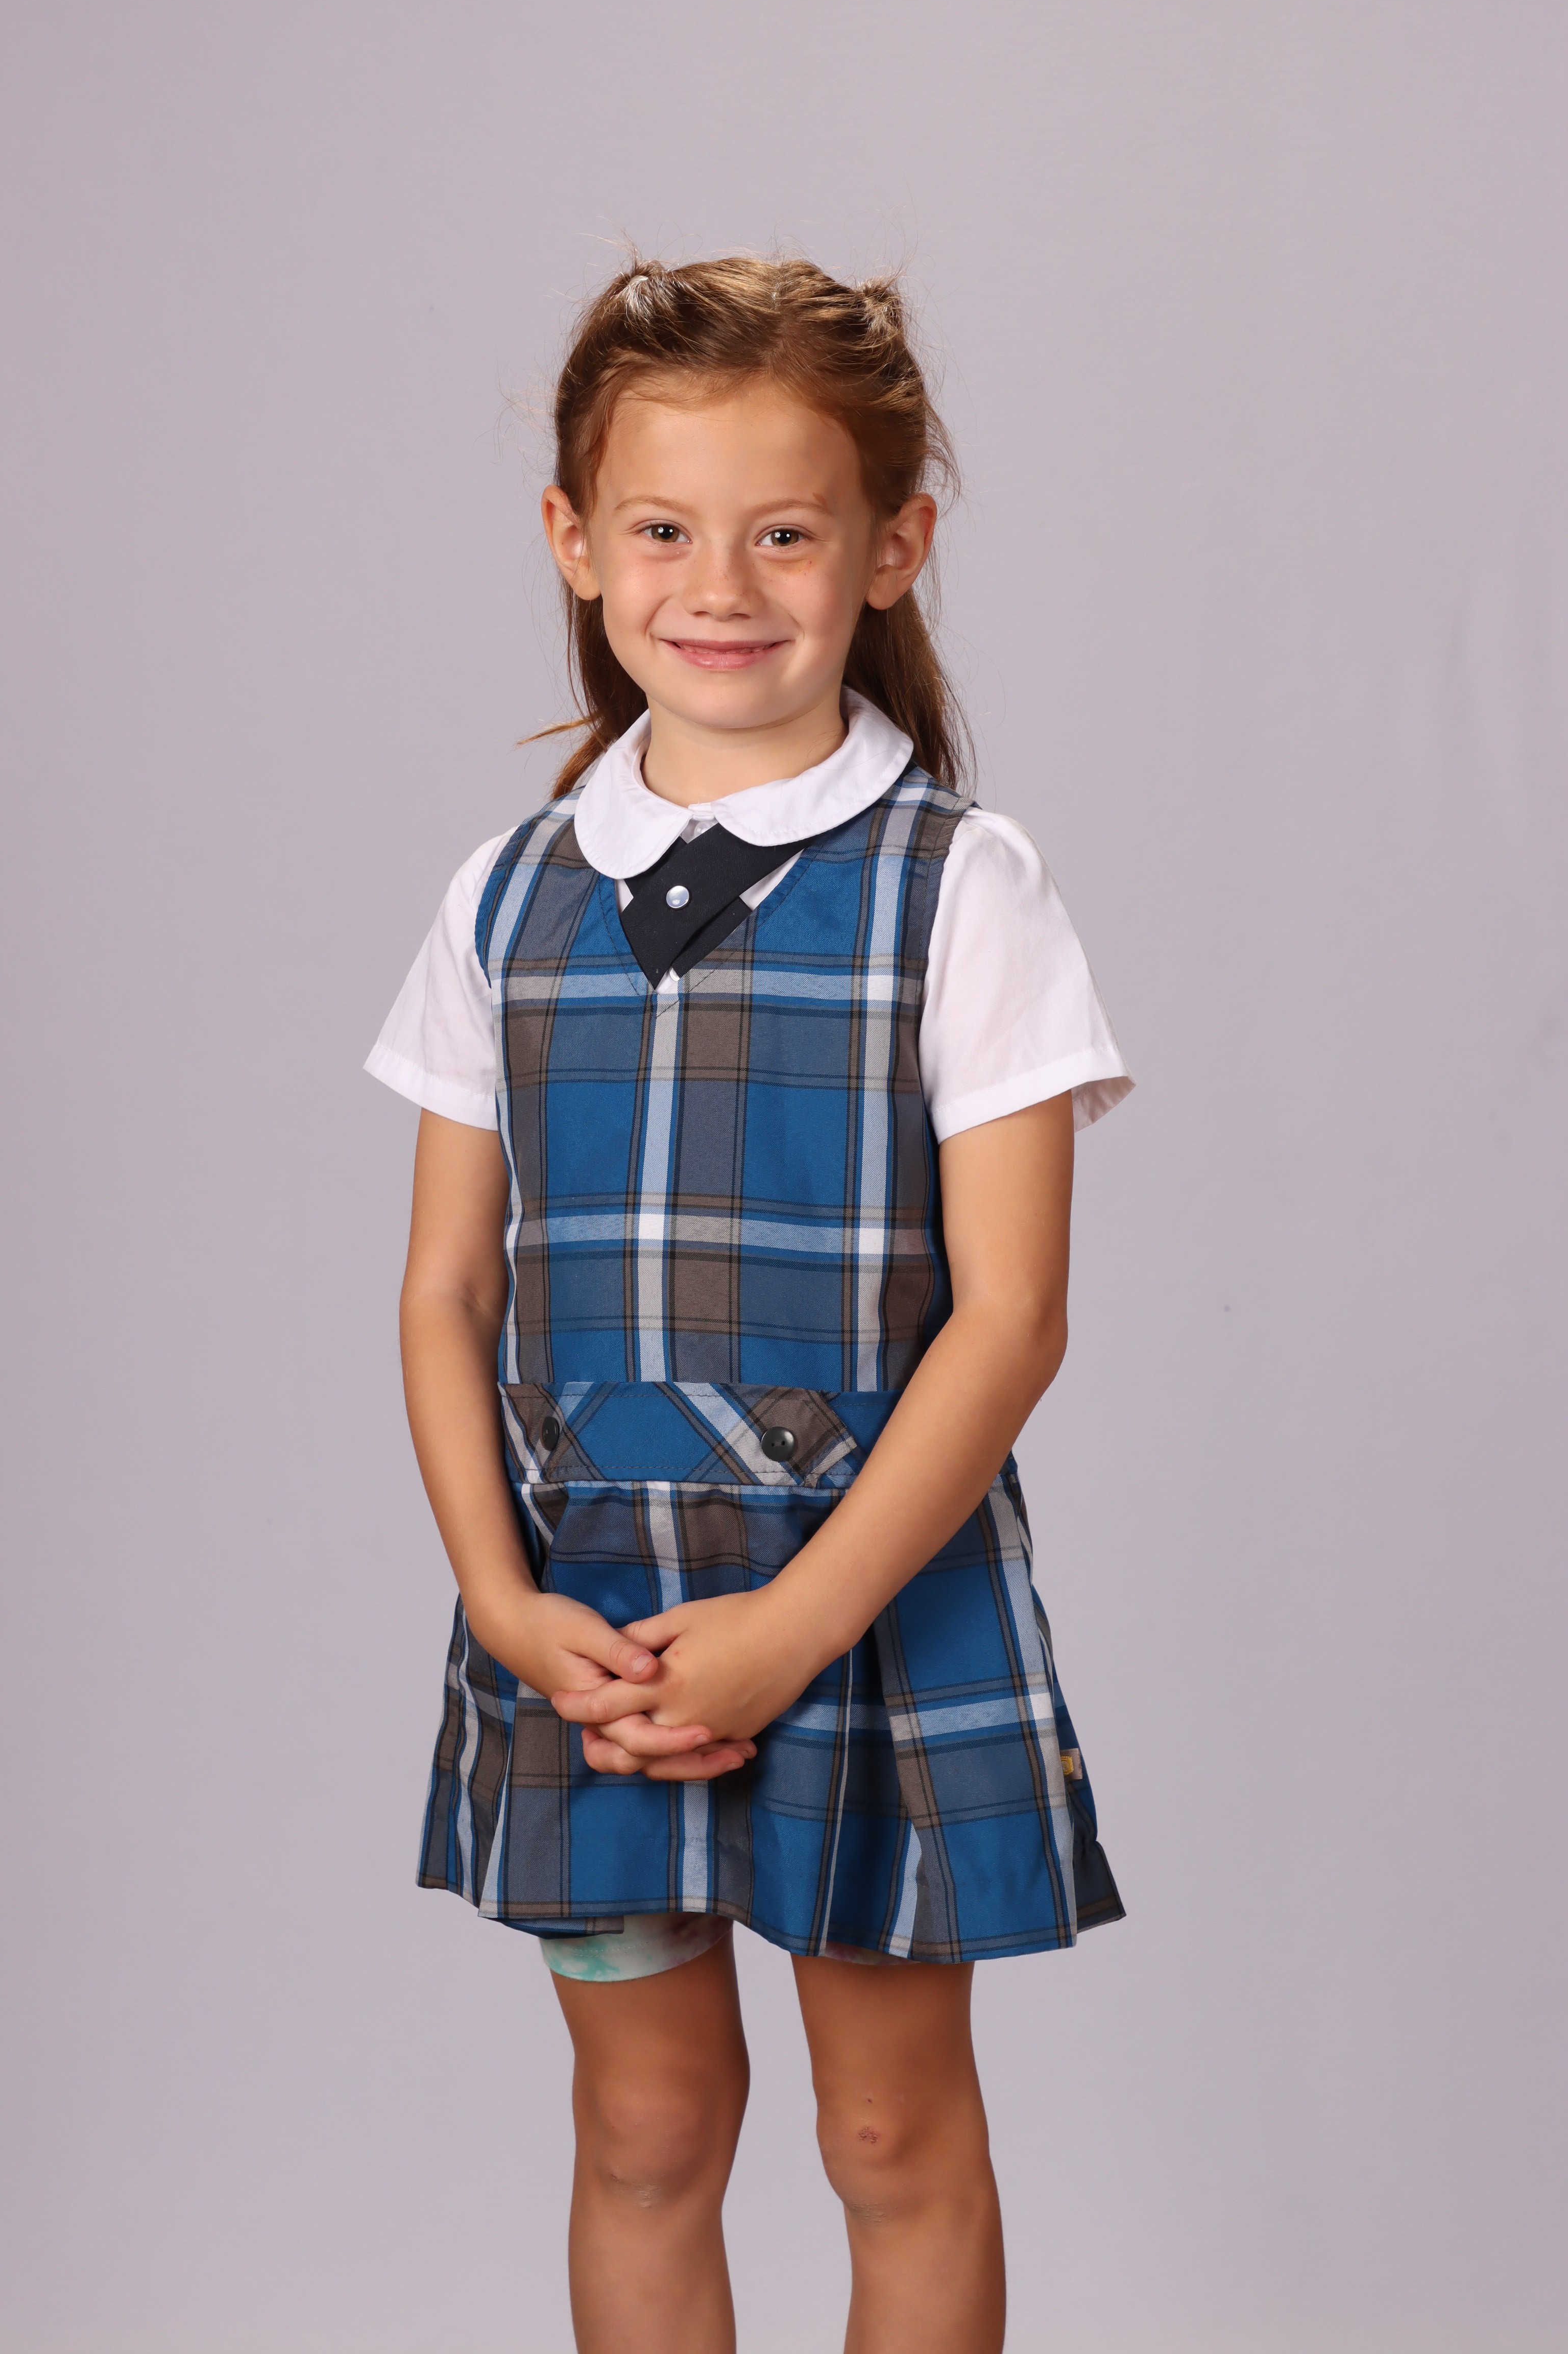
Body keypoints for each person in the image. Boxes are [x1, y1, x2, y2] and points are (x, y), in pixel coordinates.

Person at [366, 254, 1132, 2354]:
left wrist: (796, 1627)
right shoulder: (507, 893)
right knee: (642, 2130)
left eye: (785, 532)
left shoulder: (960, 887)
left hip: (870, 1610)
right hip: (590, 1623)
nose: (720, 586)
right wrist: (504, 1602)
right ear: (573, 540)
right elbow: (442, 1289)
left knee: (889, 2137)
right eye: (663, 529)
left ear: (891, 546)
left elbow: (1012, 1319)